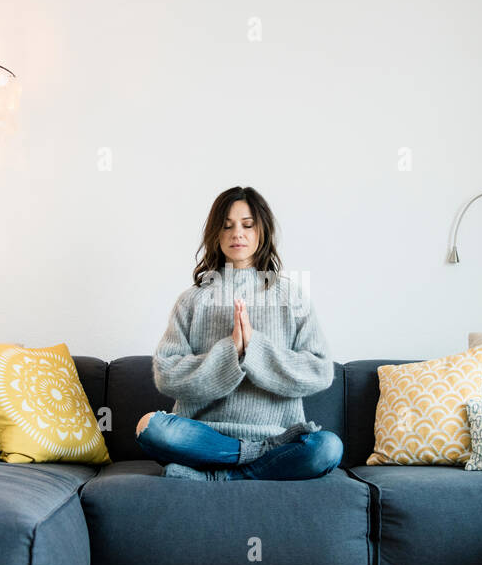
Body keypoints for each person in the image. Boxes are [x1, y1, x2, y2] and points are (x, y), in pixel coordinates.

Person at [134, 186, 343, 481]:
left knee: (328, 448)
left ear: (262, 231)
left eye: (247, 225)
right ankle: (249, 463)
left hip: (276, 439)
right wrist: (229, 352)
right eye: (227, 226)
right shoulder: (192, 300)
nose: (237, 234)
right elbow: (166, 375)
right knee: (150, 427)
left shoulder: (291, 296)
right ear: (215, 234)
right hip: (206, 439)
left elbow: (320, 371)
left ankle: (222, 476)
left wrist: (254, 349)